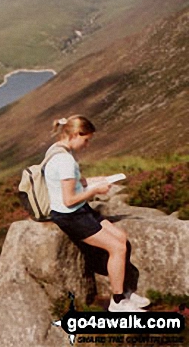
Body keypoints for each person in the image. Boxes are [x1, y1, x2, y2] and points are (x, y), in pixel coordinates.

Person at [44, 115, 150, 312]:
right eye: (86, 140)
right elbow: (69, 200)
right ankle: (117, 303)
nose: (87, 144)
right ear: (75, 134)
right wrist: (95, 191)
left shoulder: (56, 149)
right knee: (117, 248)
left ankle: (124, 292)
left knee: (121, 238)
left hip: (78, 211)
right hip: (70, 216)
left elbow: (71, 183)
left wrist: (95, 180)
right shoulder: (65, 160)